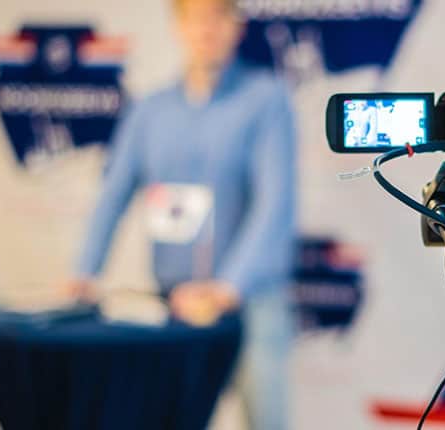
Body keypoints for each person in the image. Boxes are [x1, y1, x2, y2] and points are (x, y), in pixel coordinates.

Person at [63, 0, 296, 428]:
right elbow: (112, 194)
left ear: (236, 26)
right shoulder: (150, 110)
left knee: (267, 421)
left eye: (218, 17)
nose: (207, 29)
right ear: (178, 27)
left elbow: (274, 205)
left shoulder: (266, 101)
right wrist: (85, 271)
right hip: (174, 304)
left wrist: (226, 289)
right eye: (196, 18)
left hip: (251, 301)